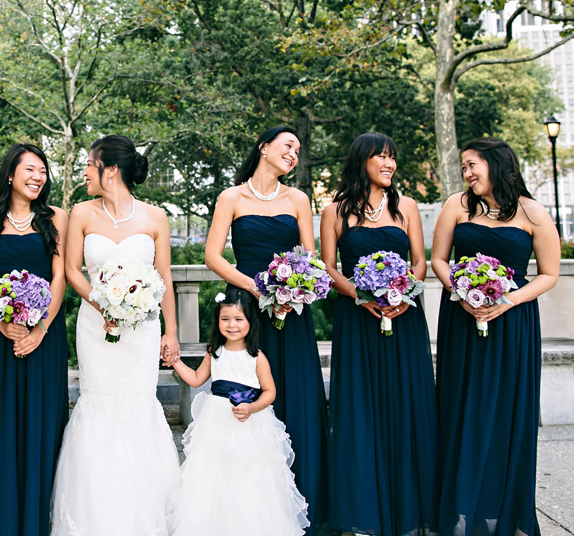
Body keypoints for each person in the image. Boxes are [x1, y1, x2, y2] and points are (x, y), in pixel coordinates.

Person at [51, 134, 181, 536]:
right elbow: (73, 270)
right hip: (96, 327)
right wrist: (102, 305)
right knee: (97, 405)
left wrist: (171, 331)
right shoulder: (82, 213)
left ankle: (145, 516)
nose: (84, 173)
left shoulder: (156, 217)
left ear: (110, 170)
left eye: (88, 165)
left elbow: (164, 277)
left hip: (142, 331)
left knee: (138, 405)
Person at [431, 137, 559, 536]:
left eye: (473, 165)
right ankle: (458, 509)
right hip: (462, 321)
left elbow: (549, 273)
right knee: (460, 407)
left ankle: (505, 509)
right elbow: (438, 259)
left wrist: (508, 300)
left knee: (505, 412)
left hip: (512, 325)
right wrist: (460, 291)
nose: (467, 173)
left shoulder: (533, 213)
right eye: (464, 167)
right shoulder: (457, 205)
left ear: (497, 163)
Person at [204, 125, 327, 532]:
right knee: (246, 396)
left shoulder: (298, 199)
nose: (294, 153)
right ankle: (246, 509)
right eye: (287, 145)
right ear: (264, 148)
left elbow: (310, 257)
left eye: (297, 149)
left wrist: (293, 288)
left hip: (291, 312)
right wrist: (253, 286)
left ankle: (302, 503)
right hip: (246, 312)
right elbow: (213, 256)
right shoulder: (231, 197)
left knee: (296, 395)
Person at [320, 132, 438, 536]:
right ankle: (362, 509)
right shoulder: (335, 209)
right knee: (360, 406)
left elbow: (419, 262)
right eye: (381, 157)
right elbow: (329, 267)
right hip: (357, 319)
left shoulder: (407, 206)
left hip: (404, 317)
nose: (389, 164)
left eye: (392, 158)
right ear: (361, 161)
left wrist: (402, 294)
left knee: (406, 402)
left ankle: (410, 507)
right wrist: (361, 294)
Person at [0, 144, 69, 536]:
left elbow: (60, 277)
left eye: (43, 170)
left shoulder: (57, 217)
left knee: (42, 421)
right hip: (2, 333)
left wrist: (41, 327)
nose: (37, 177)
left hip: (45, 334)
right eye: (30, 169)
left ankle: (37, 517)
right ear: (10, 174)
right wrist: (0, 322)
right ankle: (2, 517)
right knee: (4, 421)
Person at [168, 287, 309, 536]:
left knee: (249, 475)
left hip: (250, 424)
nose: (231, 325)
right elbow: (196, 379)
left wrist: (252, 407)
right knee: (214, 474)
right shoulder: (215, 352)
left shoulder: (256, 357)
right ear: (218, 321)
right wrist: (176, 362)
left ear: (250, 322)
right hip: (216, 423)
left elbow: (269, 392)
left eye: (238, 319)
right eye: (225, 319)